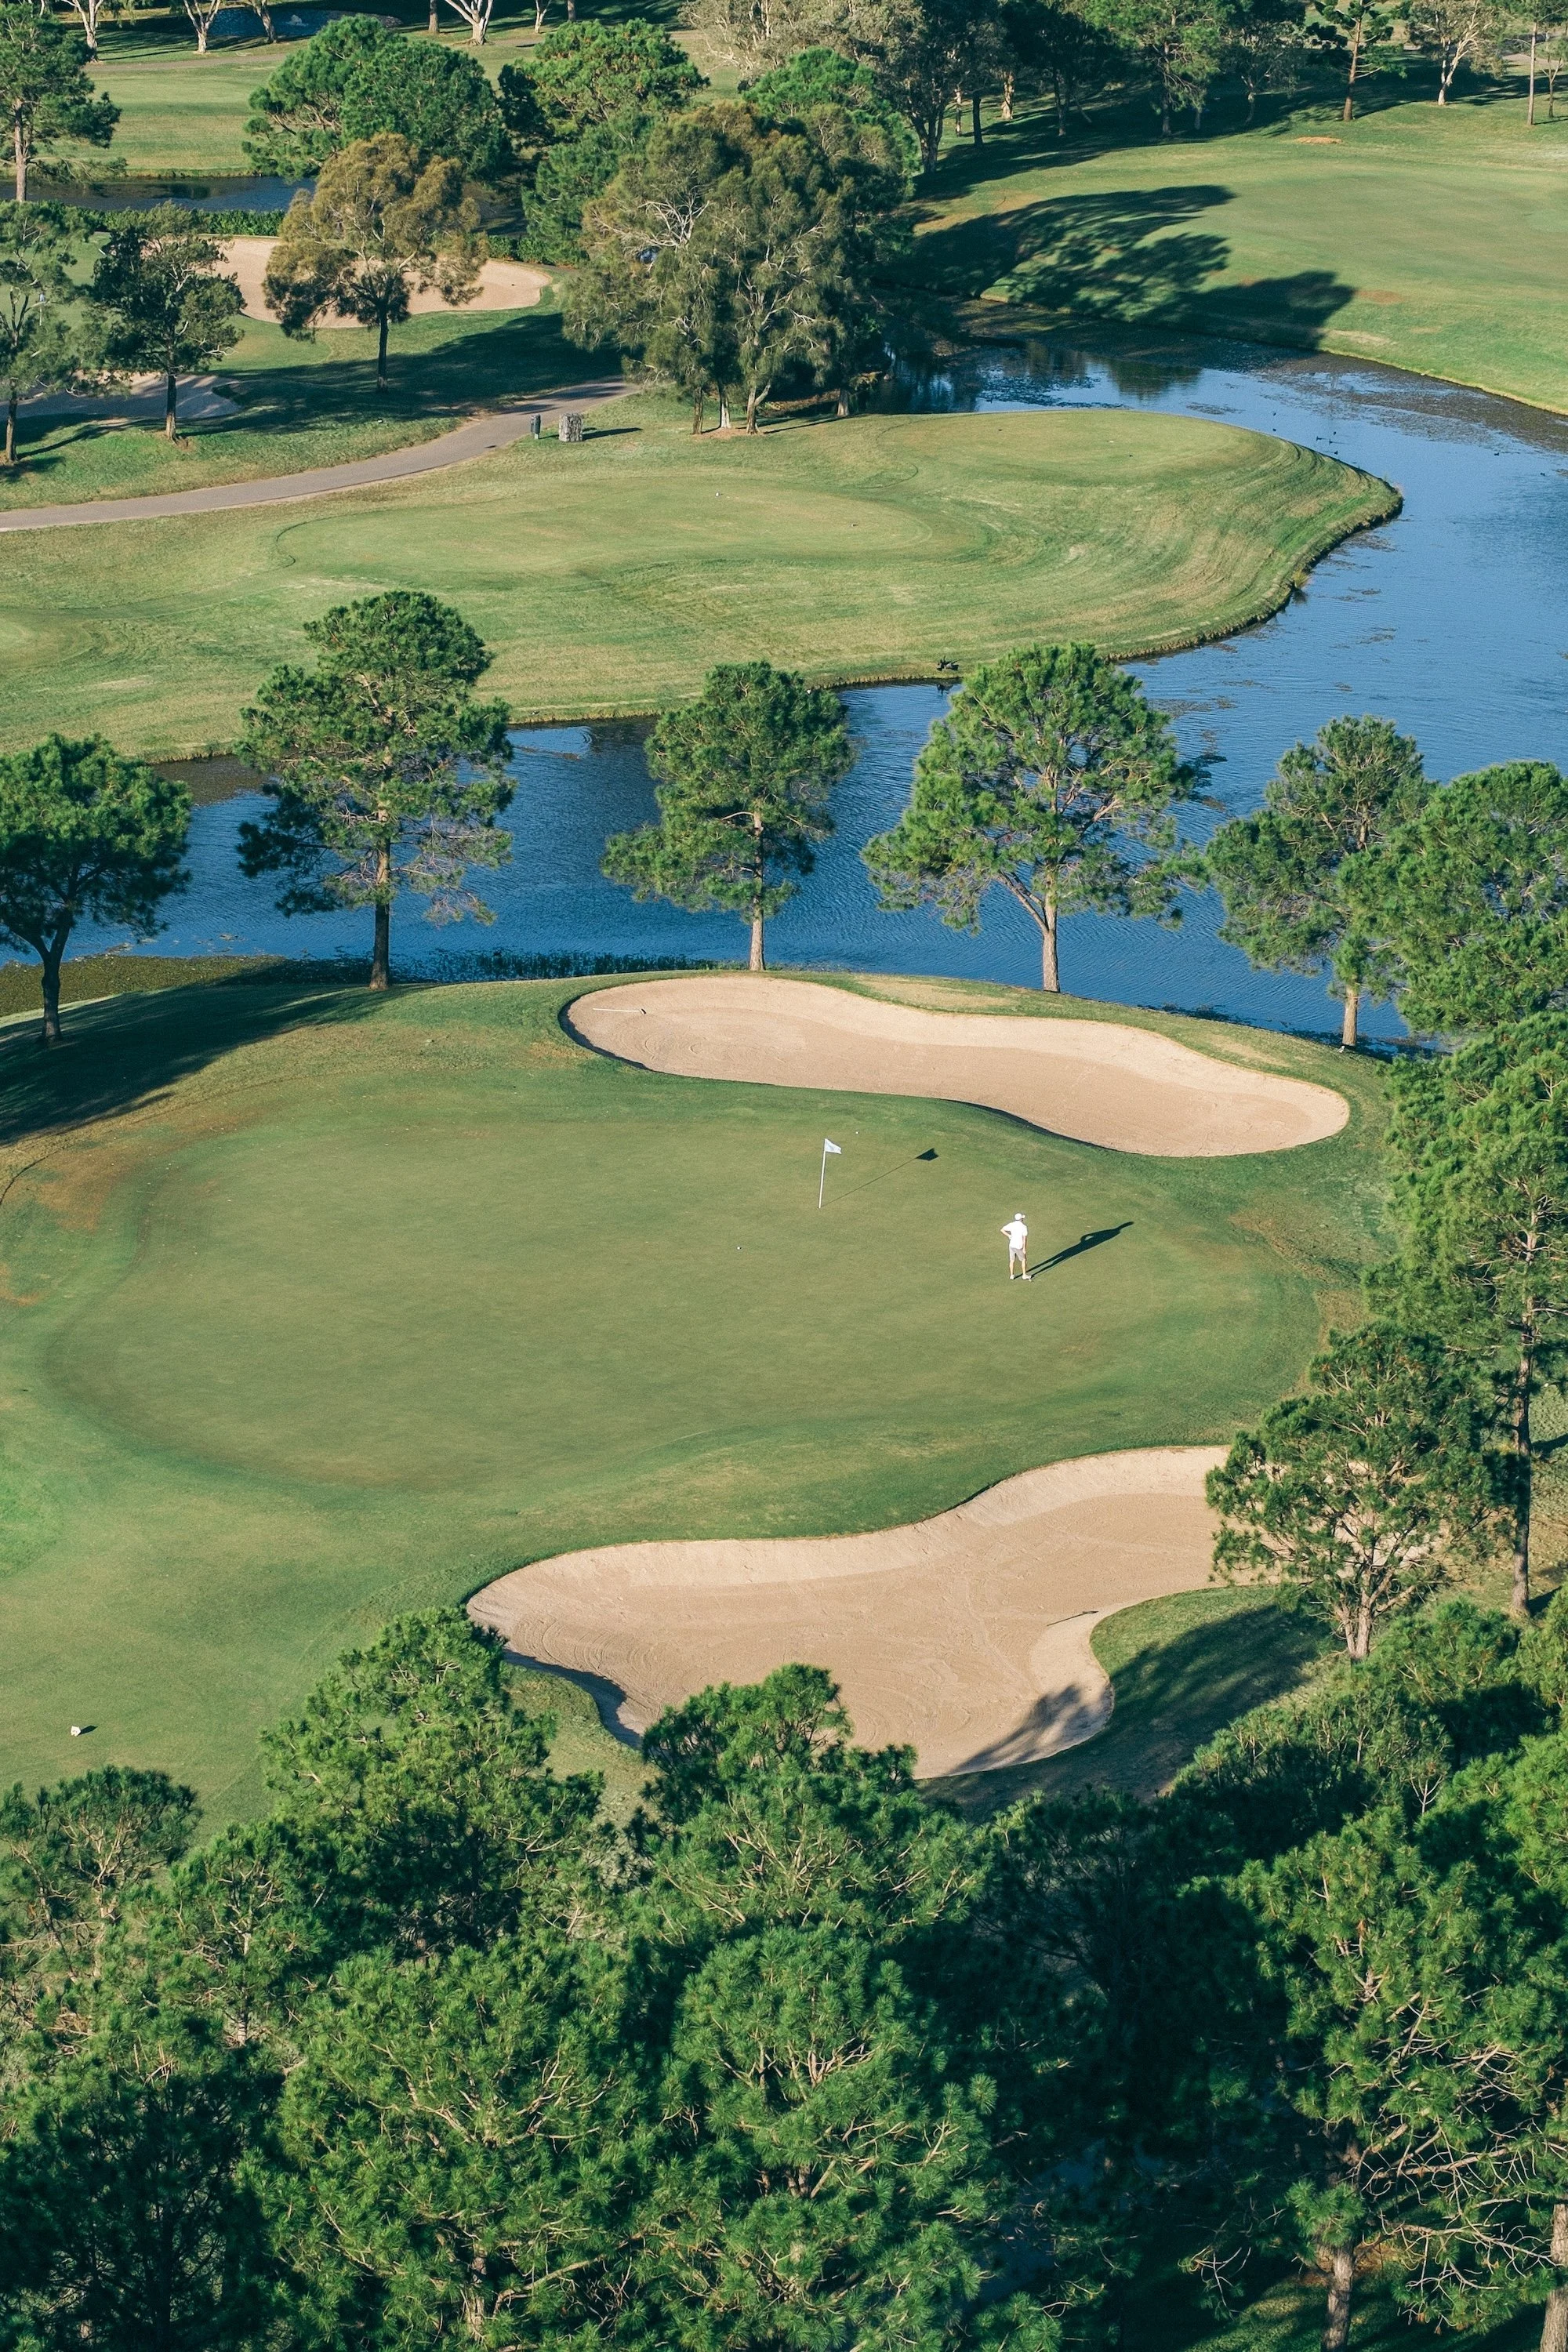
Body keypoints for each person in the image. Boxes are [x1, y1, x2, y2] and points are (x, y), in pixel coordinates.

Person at [1002, 1210, 1029, 1280]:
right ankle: (1024, 1275)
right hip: (1019, 1246)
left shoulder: (1011, 1224)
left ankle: (1012, 1275)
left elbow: (1002, 1230)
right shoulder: (1024, 1227)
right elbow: (1024, 1239)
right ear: (1021, 1219)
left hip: (1012, 1245)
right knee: (1023, 1260)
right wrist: (1024, 1249)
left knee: (1012, 1260)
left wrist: (1009, 1235)